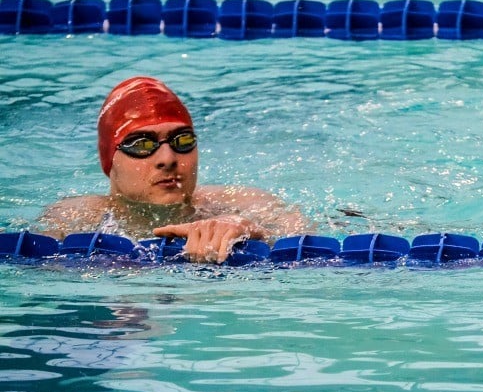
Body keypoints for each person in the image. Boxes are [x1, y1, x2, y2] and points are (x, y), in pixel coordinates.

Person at [38, 76, 311, 263]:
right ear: (110, 160)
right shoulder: (74, 217)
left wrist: (254, 231)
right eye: (142, 144)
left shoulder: (242, 203)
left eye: (183, 141)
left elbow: (305, 240)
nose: (167, 159)